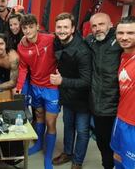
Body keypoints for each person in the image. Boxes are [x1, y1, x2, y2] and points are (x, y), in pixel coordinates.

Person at [15, 14, 59, 169]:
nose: (27, 30)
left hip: (52, 88)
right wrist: (20, 85)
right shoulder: (21, 46)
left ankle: (48, 157)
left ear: (37, 26)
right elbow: (22, 67)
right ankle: (39, 144)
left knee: (51, 121)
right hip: (35, 86)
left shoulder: (50, 39)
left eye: (30, 27)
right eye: (24, 28)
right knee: (39, 116)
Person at [50, 13, 92, 169]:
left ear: (73, 29)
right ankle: (68, 153)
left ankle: (78, 162)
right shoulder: (58, 41)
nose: (62, 31)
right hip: (67, 96)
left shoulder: (82, 51)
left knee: (82, 131)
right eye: (59, 27)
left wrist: (62, 81)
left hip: (82, 99)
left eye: (66, 27)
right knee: (68, 126)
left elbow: (86, 81)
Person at [85, 12, 122, 169]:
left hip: (118, 106)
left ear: (110, 25)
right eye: (94, 25)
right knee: (102, 142)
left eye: (101, 24)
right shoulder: (90, 41)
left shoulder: (121, 41)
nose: (98, 28)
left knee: (121, 146)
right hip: (98, 106)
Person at [110, 16, 135, 169]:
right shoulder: (122, 56)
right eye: (121, 33)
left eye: (131, 33)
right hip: (120, 119)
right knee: (117, 157)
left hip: (133, 125)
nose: (124, 37)